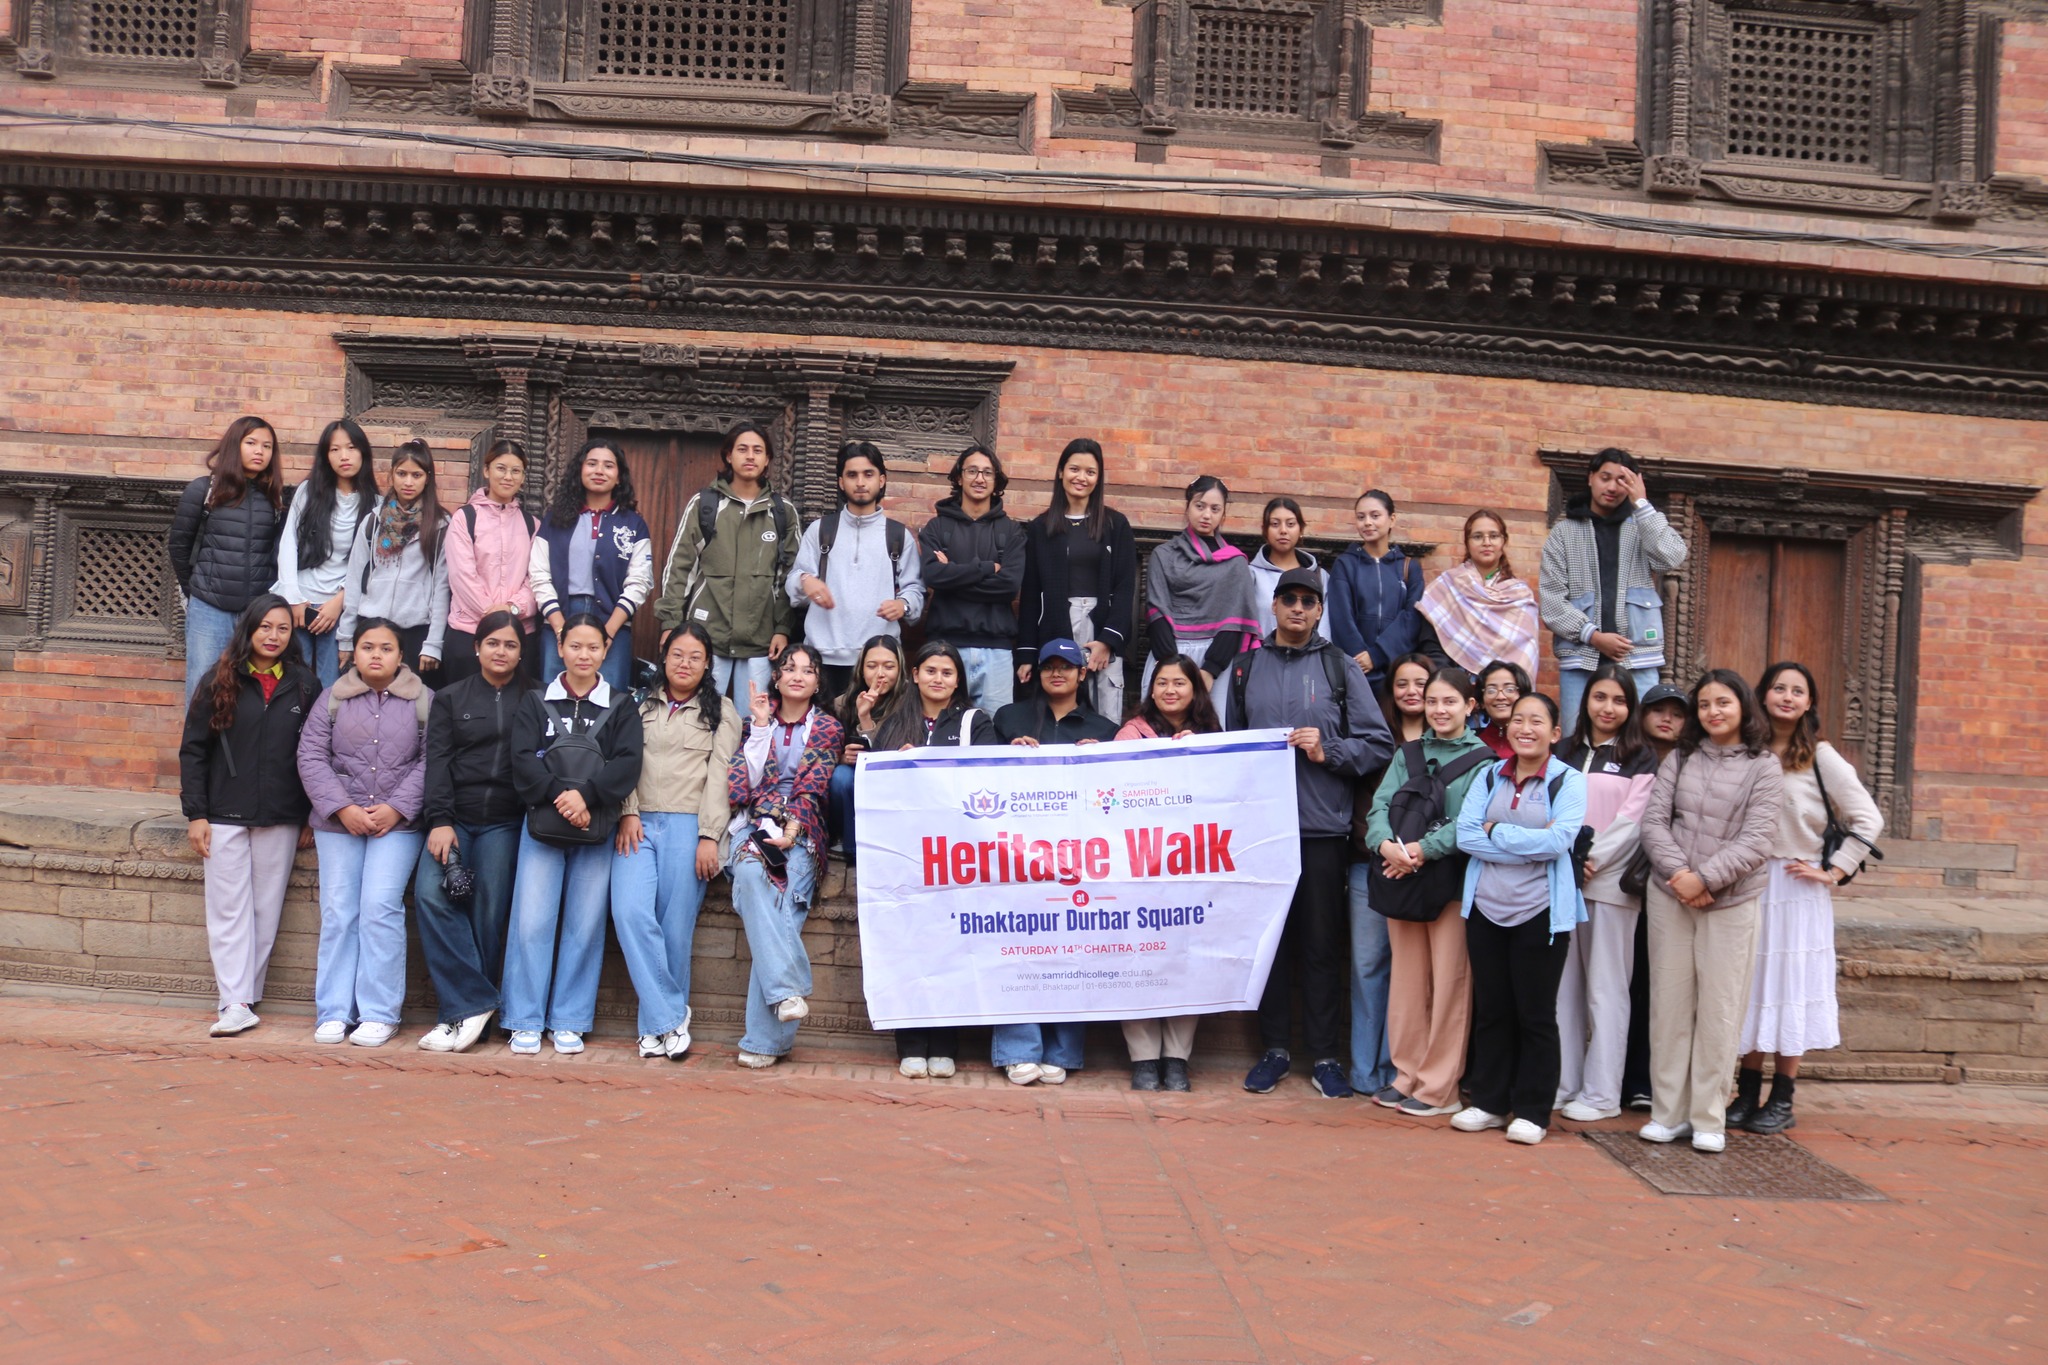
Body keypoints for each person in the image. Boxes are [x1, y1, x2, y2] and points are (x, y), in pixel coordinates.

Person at [1223, 567, 1393, 1099]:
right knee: (1270, 947)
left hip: (1321, 829)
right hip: (1263, 833)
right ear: (1273, 605)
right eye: (1289, 599)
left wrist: (1329, 750)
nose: (1298, 608)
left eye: (1308, 601)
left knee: (1321, 948)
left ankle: (1324, 1056)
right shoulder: (1245, 668)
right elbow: (1231, 750)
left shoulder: (1340, 667)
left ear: (1319, 611)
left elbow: (1379, 744)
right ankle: (1274, 1050)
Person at [1732, 661, 1883, 1135]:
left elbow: (1868, 817)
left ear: (1809, 703)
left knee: (1790, 987)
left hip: (1797, 889)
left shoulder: (1821, 756)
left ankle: (1782, 1098)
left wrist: (1834, 871)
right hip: (1750, 883)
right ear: (1763, 695)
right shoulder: (1745, 750)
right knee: (1753, 985)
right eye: (1779, 688)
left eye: (1798, 691)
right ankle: (1746, 1092)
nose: (1787, 697)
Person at [1637, 670, 1785, 1153]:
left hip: (1731, 902)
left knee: (1720, 1009)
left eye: (1722, 702)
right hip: (1670, 895)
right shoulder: (1681, 757)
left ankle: (1708, 1116)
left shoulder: (1764, 766)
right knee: (1669, 1007)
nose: (1712, 712)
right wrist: (1682, 875)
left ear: (1743, 707)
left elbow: (1758, 839)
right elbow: (1654, 823)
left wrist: (1705, 880)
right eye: (1704, 705)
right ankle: (1668, 1113)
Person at [1449, 693, 1590, 1145]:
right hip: (1486, 908)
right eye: (1518, 720)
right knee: (1493, 1010)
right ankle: (1489, 1103)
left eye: (1537, 721)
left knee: (1535, 1014)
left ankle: (1532, 1111)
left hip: (1541, 912)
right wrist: (1526, 844)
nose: (1525, 729)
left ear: (1555, 733)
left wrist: (1496, 832)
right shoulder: (1489, 774)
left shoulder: (1568, 781)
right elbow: (1466, 836)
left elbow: (1559, 842)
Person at [504, 613, 646, 1056]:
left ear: (606, 652)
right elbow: (521, 758)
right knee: (531, 922)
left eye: (593, 647)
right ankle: (524, 1018)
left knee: (584, 925)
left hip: (596, 827)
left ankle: (569, 1018)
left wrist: (586, 797)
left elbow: (628, 763)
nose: (584, 655)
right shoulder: (535, 701)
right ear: (560, 648)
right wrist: (560, 797)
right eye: (575, 646)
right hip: (542, 825)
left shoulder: (621, 705)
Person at [179, 593, 318, 1037]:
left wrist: (310, 813)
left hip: (281, 813)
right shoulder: (219, 680)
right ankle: (234, 1000)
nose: (273, 636)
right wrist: (196, 814)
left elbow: (317, 754)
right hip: (224, 812)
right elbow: (193, 750)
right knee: (228, 910)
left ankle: (244, 998)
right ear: (249, 630)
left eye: (283, 628)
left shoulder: (304, 685)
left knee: (265, 909)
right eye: (265, 627)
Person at [296, 618, 431, 1048]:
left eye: (386, 648)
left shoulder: (424, 700)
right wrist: (342, 808)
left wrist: (397, 808)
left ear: (401, 656)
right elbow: (311, 756)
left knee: (379, 907)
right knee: (339, 911)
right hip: (339, 823)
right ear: (353, 652)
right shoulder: (332, 698)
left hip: (398, 824)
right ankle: (334, 1010)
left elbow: (432, 759)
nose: (376, 655)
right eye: (368, 646)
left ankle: (378, 1012)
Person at [1362, 667, 1490, 1116]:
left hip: (1449, 883)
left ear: (1470, 707)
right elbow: (1379, 806)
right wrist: (1384, 845)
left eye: (1449, 701)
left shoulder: (1484, 762)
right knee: (1408, 982)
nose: (1439, 709)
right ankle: (1406, 1076)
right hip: (1400, 879)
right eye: (1432, 701)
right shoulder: (1408, 753)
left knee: (1450, 983)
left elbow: (1472, 822)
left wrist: (1420, 850)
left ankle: (1439, 1088)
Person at [613, 624, 741, 1060]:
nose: (684, 664)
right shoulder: (637, 703)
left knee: (675, 929)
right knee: (629, 911)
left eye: (695, 657)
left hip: (689, 825)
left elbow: (720, 776)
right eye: (677, 654)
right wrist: (628, 811)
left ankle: (654, 1029)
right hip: (637, 822)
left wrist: (709, 836)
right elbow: (623, 761)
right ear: (664, 658)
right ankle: (671, 1015)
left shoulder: (722, 711)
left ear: (707, 665)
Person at [874, 641, 1000, 1078]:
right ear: (915, 674)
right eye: (930, 670)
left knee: (952, 947)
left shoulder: (975, 722)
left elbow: (987, 779)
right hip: (904, 853)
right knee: (907, 944)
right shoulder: (894, 720)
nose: (938, 679)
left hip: (955, 854)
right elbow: (876, 786)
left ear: (958, 679)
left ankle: (945, 1042)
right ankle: (910, 1041)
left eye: (947, 672)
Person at [412, 612, 531, 1054]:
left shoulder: (535, 698)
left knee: (488, 910)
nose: (501, 651)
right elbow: (438, 762)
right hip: (455, 819)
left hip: (505, 821)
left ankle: (458, 1017)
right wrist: (440, 820)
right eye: (493, 643)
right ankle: (473, 1005)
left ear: (521, 652)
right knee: (430, 895)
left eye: (510, 644)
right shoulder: (449, 697)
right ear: (476, 647)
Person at [726, 644, 843, 1069]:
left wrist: (791, 830)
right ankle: (788, 992)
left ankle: (764, 1041)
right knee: (750, 876)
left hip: (804, 829)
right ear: (776, 677)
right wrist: (760, 728)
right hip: (753, 825)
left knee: (783, 907)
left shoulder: (828, 727)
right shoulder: (751, 722)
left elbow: (813, 786)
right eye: (789, 668)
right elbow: (743, 784)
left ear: (817, 681)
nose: (797, 675)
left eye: (807, 670)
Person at [1553, 665, 1658, 1122]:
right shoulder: (1565, 751)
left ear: (1630, 707)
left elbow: (1633, 822)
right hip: (1561, 883)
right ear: (1586, 701)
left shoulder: (1641, 756)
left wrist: (1587, 860)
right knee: (1564, 989)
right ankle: (1564, 1084)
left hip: (1610, 887)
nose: (1608, 708)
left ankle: (1601, 1095)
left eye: (1619, 700)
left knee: (1607, 989)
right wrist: (1565, 862)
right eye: (1600, 697)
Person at [1114, 655, 1220, 1091]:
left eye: (1179, 682)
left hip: (1190, 865)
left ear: (1196, 689)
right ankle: (1143, 1058)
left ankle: (1177, 1057)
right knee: (1135, 957)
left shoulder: (1215, 738)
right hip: (1136, 865)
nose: (1170, 690)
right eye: (1161, 682)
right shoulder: (1129, 733)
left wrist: (1201, 755)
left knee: (1184, 957)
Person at [1539, 448, 1688, 732]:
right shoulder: (1563, 533)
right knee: (1576, 738)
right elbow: (1552, 603)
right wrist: (1593, 636)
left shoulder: (1641, 526)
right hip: (1581, 658)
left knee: (1641, 738)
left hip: (1637, 655)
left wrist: (1642, 504)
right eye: (1605, 477)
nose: (1612, 487)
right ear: (1590, 478)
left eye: (1622, 480)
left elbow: (1672, 557)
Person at [653, 421, 802, 703]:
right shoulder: (705, 505)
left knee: (755, 719)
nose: (750, 456)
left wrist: (783, 628)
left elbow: (788, 576)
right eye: (742, 449)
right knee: (699, 713)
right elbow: (680, 568)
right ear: (728, 456)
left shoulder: (782, 512)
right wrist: (670, 621)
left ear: (767, 459)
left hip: (761, 640)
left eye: (758, 450)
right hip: (706, 636)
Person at [1343, 650, 1433, 1101]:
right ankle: (1365, 1071)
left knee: (1412, 972)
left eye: (1421, 683)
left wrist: (1415, 854)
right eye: (1402, 683)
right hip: (1369, 865)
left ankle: (1401, 1070)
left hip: (1426, 870)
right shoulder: (1375, 737)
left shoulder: (1446, 739)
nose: (1411, 691)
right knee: (1367, 967)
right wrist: (1381, 850)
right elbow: (1360, 804)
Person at [788, 442, 925, 699]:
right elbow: (794, 581)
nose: (860, 482)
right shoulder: (821, 530)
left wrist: (903, 605)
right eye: (852, 475)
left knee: (871, 725)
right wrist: (806, 581)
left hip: (877, 661)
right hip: (821, 658)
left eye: (868, 474)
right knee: (822, 724)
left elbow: (915, 590)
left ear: (881, 480)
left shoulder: (897, 535)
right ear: (841, 482)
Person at [1015, 438, 1138, 722]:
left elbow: (1125, 588)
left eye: (1090, 472)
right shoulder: (1041, 527)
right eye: (1074, 469)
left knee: (1105, 714)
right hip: (1056, 624)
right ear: (1061, 472)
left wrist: (1108, 640)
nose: (1081, 477)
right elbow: (1031, 594)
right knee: (1057, 712)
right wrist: (1026, 653)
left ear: (1098, 477)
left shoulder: (1115, 525)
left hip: (1101, 624)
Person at [169, 415, 285, 699]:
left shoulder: (275, 498)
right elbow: (179, 546)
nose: (259, 451)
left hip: (256, 614)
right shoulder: (203, 490)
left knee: (251, 695)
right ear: (235, 445)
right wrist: (196, 590)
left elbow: (276, 555)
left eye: (267, 446)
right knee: (203, 690)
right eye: (251, 443)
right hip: (209, 609)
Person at [531, 439, 653, 691]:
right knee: (553, 697)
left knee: (609, 701)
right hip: (560, 616)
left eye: (608, 466)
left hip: (612, 621)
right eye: (592, 464)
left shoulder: (633, 524)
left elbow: (640, 581)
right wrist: (560, 629)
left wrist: (609, 631)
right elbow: (539, 574)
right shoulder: (554, 519)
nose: (599, 471)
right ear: (580, 470)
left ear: (619, 477)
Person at [1621, 680, 1690, 1110]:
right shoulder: (1624, 758)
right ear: (1642, 715)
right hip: (1617, 882)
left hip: (1669, 887)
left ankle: (1643, 1081)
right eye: (1658, 710)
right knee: (1621, 983)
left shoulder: (1693, 765)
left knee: (1654, 984)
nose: (1667, 719)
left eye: (1678, 713)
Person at [920, 445, 1026, 711]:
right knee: (941, 728)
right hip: (944, 649)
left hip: (997, 650)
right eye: (972, 471)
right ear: (959, 477)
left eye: (987, 473)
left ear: (996, 481)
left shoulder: (1011, 531)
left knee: (994, 730)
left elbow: (1009, 586)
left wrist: (952, 576)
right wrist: (987, 568)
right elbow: (933, 575)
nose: (980, 479)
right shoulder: (937, 528)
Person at [337, 438, 450, 676]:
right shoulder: (374, 521)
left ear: (427, 478)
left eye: (416, 475)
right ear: (392, 474)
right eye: (401, 474)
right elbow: (355, 579)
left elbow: (442, 587)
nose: (408, 482)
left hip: (416, 631)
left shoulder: (440, 525)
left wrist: (433, 643)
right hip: (371, 627)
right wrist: (346, 637)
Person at [274, 419, 369, 688]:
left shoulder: (375, 504)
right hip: (299, 604)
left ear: (363, 452)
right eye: (334, 449)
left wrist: (340, 602)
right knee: (293, 684)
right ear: (326, 456)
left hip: (339, 608)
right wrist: (293, 598)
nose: (343, 456)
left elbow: (367, 565)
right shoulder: (308, 492)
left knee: (332, 686)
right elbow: (288, 543)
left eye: (351, 448)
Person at [1144, 476, 1260, 694]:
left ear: (1223, 514)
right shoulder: (1164, 555)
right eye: (1200, 506)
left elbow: (1236, 621)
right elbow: (1156, 611)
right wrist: (1172, 667)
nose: (1207, 515)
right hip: (1168, 658)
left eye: (1215, 509)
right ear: (1187, 507)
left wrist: (1210, 669)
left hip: (1217, 665)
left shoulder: (1235, 563)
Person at [442, 438, 539, 685]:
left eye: (516, 471)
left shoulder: (532, 525)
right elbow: (462, 576)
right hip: (469, 632)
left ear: (523, 477)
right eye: (501, 468)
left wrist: (513, 609)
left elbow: (536, 579)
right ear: (486, 470)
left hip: (519, 635)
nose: (508, 476)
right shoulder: (465, 518)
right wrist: (494, 617)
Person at [823, 635, 908, 898]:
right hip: (852, 784)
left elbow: (885, 757)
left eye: (889, 666)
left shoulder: (909, 702)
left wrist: (866, 718)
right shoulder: (842, 702)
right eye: (872, 666)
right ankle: (851, 849)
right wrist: (841, 757)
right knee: (840, 777)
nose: (880, 674)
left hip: (892, 783)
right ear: (860, 669)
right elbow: (823, 750)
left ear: (900, 669)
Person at [1418, 509, 1538, 680]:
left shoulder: (1520, 596)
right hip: (1456, 684)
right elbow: (1432, 645)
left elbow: (1525, 654)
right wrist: (1449, 681)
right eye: (1477, 536)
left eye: (1494, 536)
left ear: (1503, 541)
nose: (1486, 542)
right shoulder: (1447, 586)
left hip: (1503, 688)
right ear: (1467, 543)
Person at [1327, 489, 1424, 695]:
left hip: (1397, 675)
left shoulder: (1409, 567)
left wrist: (1377, 655)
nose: (1367, 523)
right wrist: (1360, 659)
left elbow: (1411, 619)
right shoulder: (1345, 565)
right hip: (1355, 672)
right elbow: (1341, 618)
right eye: (1361, 517)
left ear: (1392, 519)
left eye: (1375, 515)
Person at [994, 639, 1120, 746]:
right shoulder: (1008, 717)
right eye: (1048, 667)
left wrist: (1095, 759)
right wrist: (1012, 753)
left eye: (1066, 667)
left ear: (1082, 673)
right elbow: (989, 763)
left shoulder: (1105, 730)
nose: (1056, 674)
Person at [1248, 497, 1331, 641]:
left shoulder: (1319, 576)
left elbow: (1325, 628)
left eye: (1290, 524)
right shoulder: (1251, 574)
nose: (1283, 530)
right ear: (1265, 530)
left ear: (1300, 529)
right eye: (1275, 524)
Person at [1474, 660, 1532, 759]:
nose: (1500, 697)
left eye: (1509, 689)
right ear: (1482, 702)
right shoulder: (1474, 745)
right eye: (1491, 690)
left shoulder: (1536, 741)